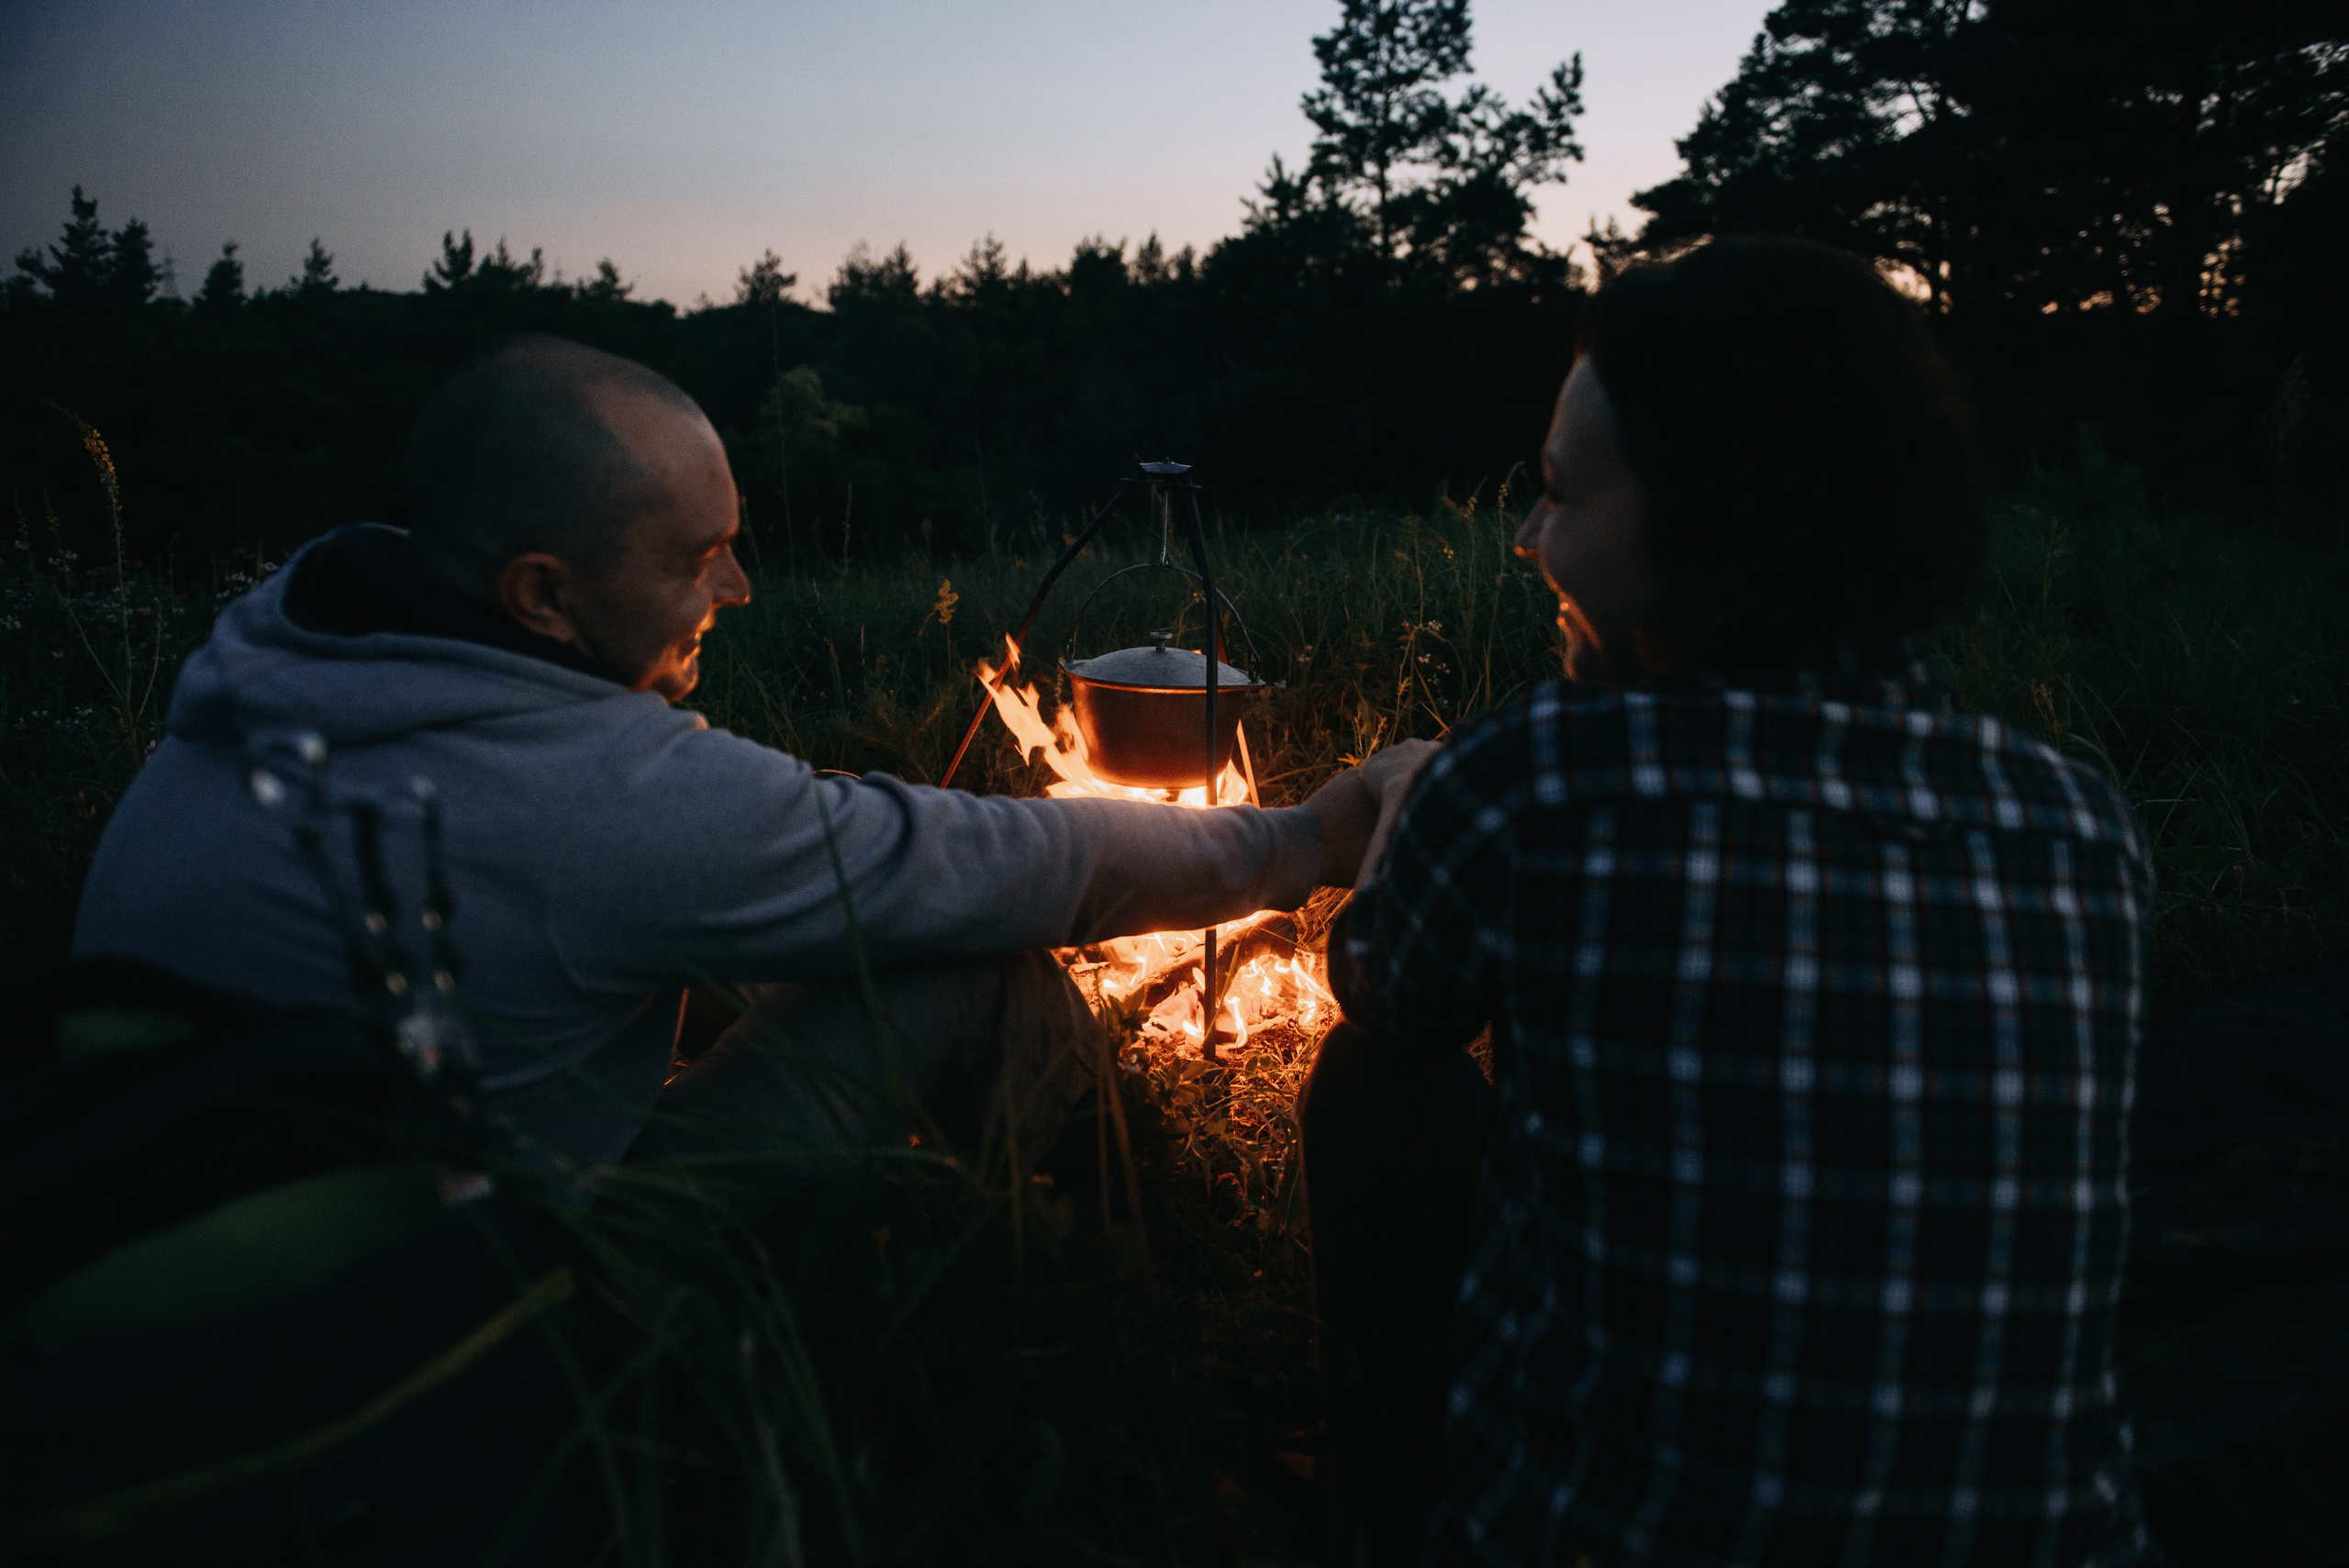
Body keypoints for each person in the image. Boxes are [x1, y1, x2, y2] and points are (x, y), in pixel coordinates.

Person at [72, 333, 1419, 1197]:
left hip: (229, 1244)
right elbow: (1010, 863)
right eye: (692, 555)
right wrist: (1306, 842)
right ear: (541, 593)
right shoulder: (599, 797)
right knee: (975, 985)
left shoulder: (281, 671)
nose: (741, 586)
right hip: (474, 1338)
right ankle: (1121, 1297)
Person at [1301, 237, 2154, 1565]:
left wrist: (1409, 812)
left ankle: (1384, 1521)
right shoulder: (2079, 823)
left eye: (1559, 494)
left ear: (1715, 514)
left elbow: (1380, 983)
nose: (1529, 539)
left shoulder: (1538, 776)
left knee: (1373, 1081)